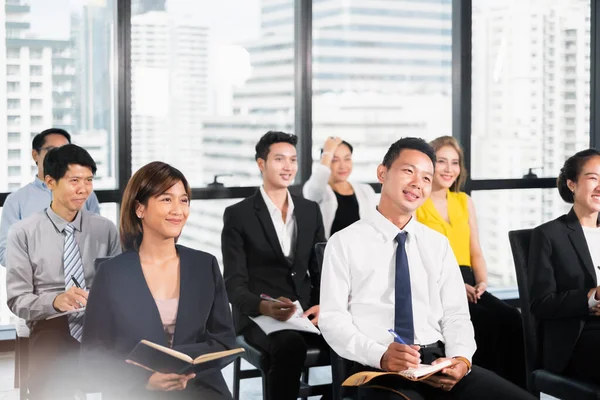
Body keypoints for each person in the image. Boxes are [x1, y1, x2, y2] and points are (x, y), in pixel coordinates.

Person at [319, 137, 535, 400]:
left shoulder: (437, 244)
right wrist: (381, 356)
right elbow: (333, 319)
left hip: (437, 363)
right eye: (408, 171)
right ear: (382, 173)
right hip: (377, 368)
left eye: (426, 178)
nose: (417, 183)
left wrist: (461, 359)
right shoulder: (344, 242)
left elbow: (456, 314)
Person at [82, 161, 236, 400]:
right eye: (166, 199)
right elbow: (93, 354)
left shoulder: (205, 265)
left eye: (183, 200)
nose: (178, 210)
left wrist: (181, 367)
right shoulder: (112, 273)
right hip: (135, 389)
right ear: (139, 208)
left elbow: (224, 340)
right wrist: (145, 379)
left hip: (199, 386)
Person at [5, 144, 120, 400]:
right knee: (52, 376)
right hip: (50, 324)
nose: (83, 189)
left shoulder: (105, 229)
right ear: (50, 182)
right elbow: (17, 300)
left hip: (99, 324)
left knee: (128, 374)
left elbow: (120, 287)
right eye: (74, 180)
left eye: (89, 180)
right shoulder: (23, 233)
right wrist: (56, 302)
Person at [222, 131, 329, 400]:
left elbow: (321, 271)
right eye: (279, 159)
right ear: (262, 164)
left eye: (292, 160)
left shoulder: (309, 211)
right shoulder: (239, 214)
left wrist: (324, 304)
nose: (288, 166)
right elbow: (233, 284)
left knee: (355, 337)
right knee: (288, 345)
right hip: (258, 314)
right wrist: (263, 306)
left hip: (305, 312)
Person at [415, 136, 525, 388]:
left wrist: (483, 280)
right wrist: (452, 285)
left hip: (470, 283)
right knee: (483, 324)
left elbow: (475, 249)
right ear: (429, 165)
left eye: (454, 163)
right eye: (441, 161)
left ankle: (516, 389)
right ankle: (480, 387)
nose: (448, 169)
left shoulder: (464, 201)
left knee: (511, 318)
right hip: (437, 285)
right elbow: (418, 258)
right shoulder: (418, 202)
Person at [529, 149, 600, 385]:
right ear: (572, 184)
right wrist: (591, 297)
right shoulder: (549, 235)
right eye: (593, 178)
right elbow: (541, 304)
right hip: (576, 340)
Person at [0, 128, 101, 267]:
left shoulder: (85, 194)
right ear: (35, 155)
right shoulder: (16, 200)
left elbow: (98, 239)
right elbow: (5, 254)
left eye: (65, 150)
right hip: (39, 284)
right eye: (52, 150)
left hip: (84, 280)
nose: (60, 157)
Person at [303, 136, 377, 238]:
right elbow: (314, 188)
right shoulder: (319, 191)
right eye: (334, 160)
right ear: (327, 161)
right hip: (330, 252)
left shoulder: (365, 190)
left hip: (362, 250)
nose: (342, 166)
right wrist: (327, 152)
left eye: (347, 159)